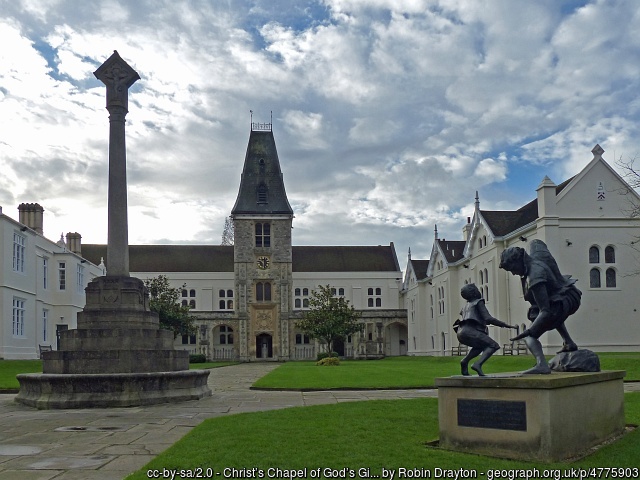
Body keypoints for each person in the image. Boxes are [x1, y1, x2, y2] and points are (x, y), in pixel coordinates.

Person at [499, 239, 581, 374]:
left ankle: (541, 364)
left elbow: (545, 311)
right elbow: (536, 242)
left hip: (565, 299)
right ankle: (569, 343)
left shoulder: (535, 277)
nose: (513, 273)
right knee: (548, 315)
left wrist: (530, 331)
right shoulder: (534, 256)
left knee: (530, 337)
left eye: (512, 269)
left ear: (518, 261)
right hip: (566, 292)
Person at [454, 283, 517, 376]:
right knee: (493, 345)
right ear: (474, 292)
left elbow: (473, 318)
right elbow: (488, 318)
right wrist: (505, 325)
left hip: (461, 332)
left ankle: (464, 361)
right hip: (470, 331)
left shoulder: (465, 306)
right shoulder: (478, 302)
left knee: (479, 346)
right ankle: (477, 364)